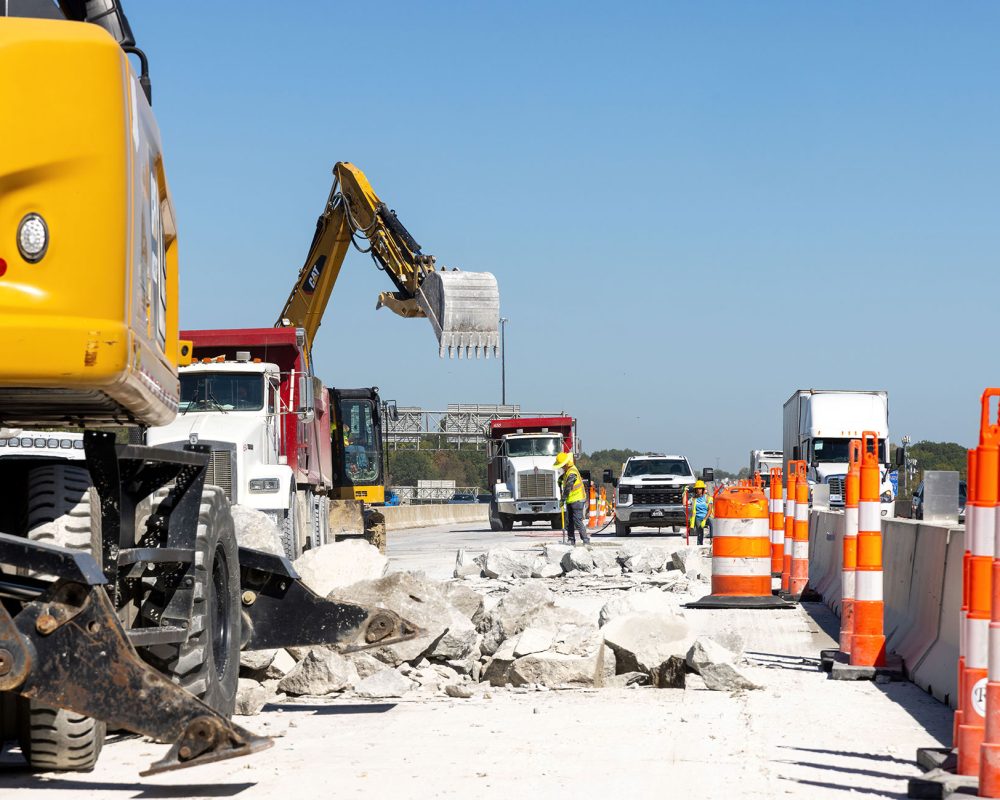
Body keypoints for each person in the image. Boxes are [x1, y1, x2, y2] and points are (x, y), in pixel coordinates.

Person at [555, 451, 589, 545]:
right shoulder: (568, 471)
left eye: (562, 465)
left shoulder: (572, 472)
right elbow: (565, 476)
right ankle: (571, 540)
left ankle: (585, 540)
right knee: (569, 521)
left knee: (577, 521)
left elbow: (568, 486)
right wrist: (561, 478)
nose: (561, 467)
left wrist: (562, 499)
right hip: (571, 500)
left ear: (565, 464)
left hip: (577, 500)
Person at [688, 480, 713, 545]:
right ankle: (699, 545)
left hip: (706, 517)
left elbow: (710, 510)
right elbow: (685, 503)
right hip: (698, 518)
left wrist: (704, 520)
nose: (698, 490)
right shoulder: (693, 499)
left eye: (700, 489)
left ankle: (712, 539)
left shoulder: (708, 498)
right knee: (699, 533)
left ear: (702, 489)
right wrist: (684, 493)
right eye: (697, 489)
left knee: (712, 522)